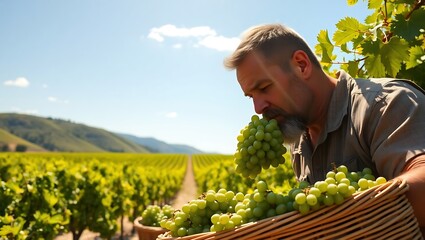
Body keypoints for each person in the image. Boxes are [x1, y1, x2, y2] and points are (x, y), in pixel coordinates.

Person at [224, 23, 425, 236]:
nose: (258, 108)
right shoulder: (299, 144)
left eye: (264, 88)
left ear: (301, 65)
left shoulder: (383, 104)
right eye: (251, 97)